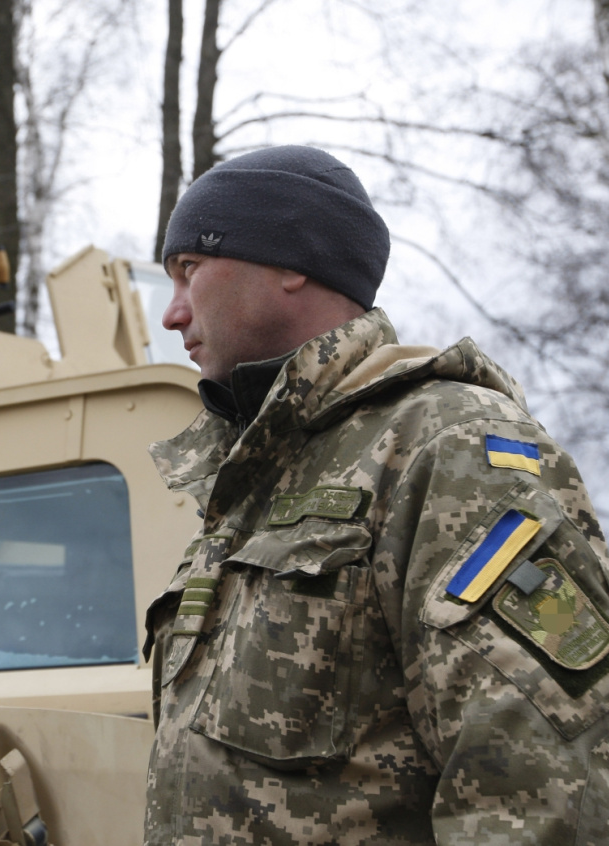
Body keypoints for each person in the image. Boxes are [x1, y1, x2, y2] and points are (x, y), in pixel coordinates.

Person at [143, 145, 609, 844]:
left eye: (189, 270)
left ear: (291, 262)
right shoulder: (255, 476)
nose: (172, 314)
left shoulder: (444, 443)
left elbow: (543, 791)